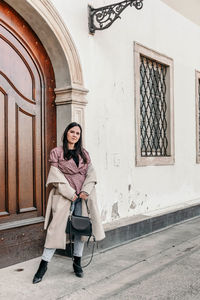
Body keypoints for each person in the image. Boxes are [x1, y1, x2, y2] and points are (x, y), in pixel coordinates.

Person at [32, 122, 105, 284]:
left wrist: (85, 191)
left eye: (77, 133)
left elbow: (91, 173)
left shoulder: (84, 153)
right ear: (66, 133)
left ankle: (77, 263)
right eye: (72, 132)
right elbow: (55, 176)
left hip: (83, 198)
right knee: (55, 230)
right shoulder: (57, 152)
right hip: (65, 197)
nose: (74, 135)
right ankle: (43, 267)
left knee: (80, 229)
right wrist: (70, 193)